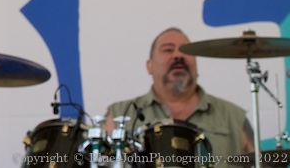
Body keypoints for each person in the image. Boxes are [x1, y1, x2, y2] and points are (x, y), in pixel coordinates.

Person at [104, 27, 254, 167]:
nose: (178, 55)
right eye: (168, 50)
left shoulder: (233, 117)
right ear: (149, 66)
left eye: (185, 50)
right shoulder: (119, 114)